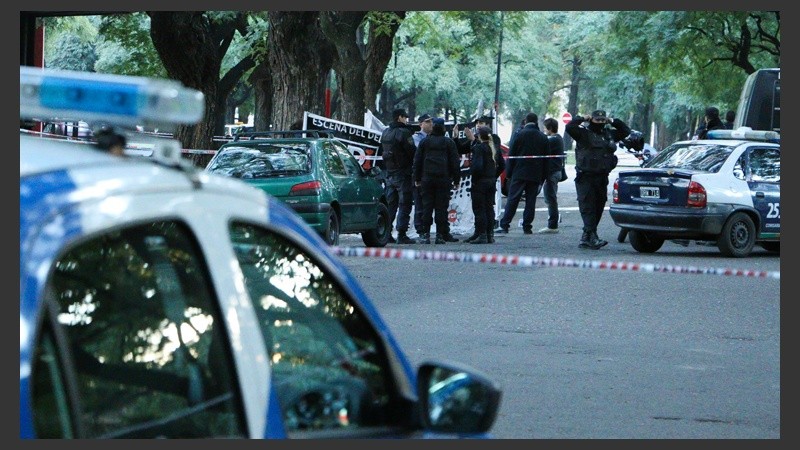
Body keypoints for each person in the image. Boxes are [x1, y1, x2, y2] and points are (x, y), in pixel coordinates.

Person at [565, 109, 630, 249]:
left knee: (599, 206)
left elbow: (625, 131)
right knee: (588, 206)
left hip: (602, 176)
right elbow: (569, 127)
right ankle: (592, 237)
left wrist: (612, 121)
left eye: (602, 120)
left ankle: (586, 237)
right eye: (597, 120)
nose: (600, 122)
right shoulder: (583, 133)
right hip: (586, 176)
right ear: (591, 120)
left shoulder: (608, 134)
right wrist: (583, 118)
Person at [494, 112, 549, 235]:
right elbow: (546, 158)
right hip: (535, 174)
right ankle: (527, 226)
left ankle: (505, 225)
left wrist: (508, 173)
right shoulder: (542, 137)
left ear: (525, 121)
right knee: (530, 201)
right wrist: (543, 176)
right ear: (535, 122)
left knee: (513, 199)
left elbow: (511, 155)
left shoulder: (519, 135)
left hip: (519, 172)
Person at [413, 118, 461, 244]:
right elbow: (455, 163)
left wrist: (417, 178)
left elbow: (417, 162)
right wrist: (456, 180)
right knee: (441, 207)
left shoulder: (424, 142)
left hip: (427, 179)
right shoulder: (449, 143)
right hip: (443, 179)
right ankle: (440, 235)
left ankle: (425, 234)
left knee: (427, 207)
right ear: (444, 128)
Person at [380, 108, 417, 244]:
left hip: (389, 174)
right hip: (403, 174)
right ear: (399, 117)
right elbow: (412, 152)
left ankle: (387, 233)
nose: (406, 120)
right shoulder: (404, 132)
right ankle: (402, 234)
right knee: (405, 204)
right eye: (405, 117)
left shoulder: (385, 132)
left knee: (391, 205)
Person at [465, 126, 501, 244]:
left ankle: (482, 234)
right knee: (489, 208)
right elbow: (502, 165)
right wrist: (493, 176)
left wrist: (474, 177)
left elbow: (477, 166)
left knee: (479, 209)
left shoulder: (479, 148)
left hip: (480, 182)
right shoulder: (493, 148)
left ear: (479, 136)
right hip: (490, 182)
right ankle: (490, 234)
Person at [539, 117, 565, 234]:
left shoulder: (553, 140)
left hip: (552, 172)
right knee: (551, 198)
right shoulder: (558, 138)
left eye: (545, 128)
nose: (544, 130)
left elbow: (542, 143)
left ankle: (552, 225)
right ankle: (552, 223)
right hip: (556, 171)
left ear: (550, 128)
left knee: (550, 198)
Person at [412, 114, 433, 238]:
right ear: (421, 124)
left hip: (431, 176)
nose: (431, 124)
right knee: (420, 204)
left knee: (429, 205)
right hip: (421, 176)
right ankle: (421, 229)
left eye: (431, 122)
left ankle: (427, 229)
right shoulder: (416, 138)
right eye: (427, 122)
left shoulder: (433, 138)